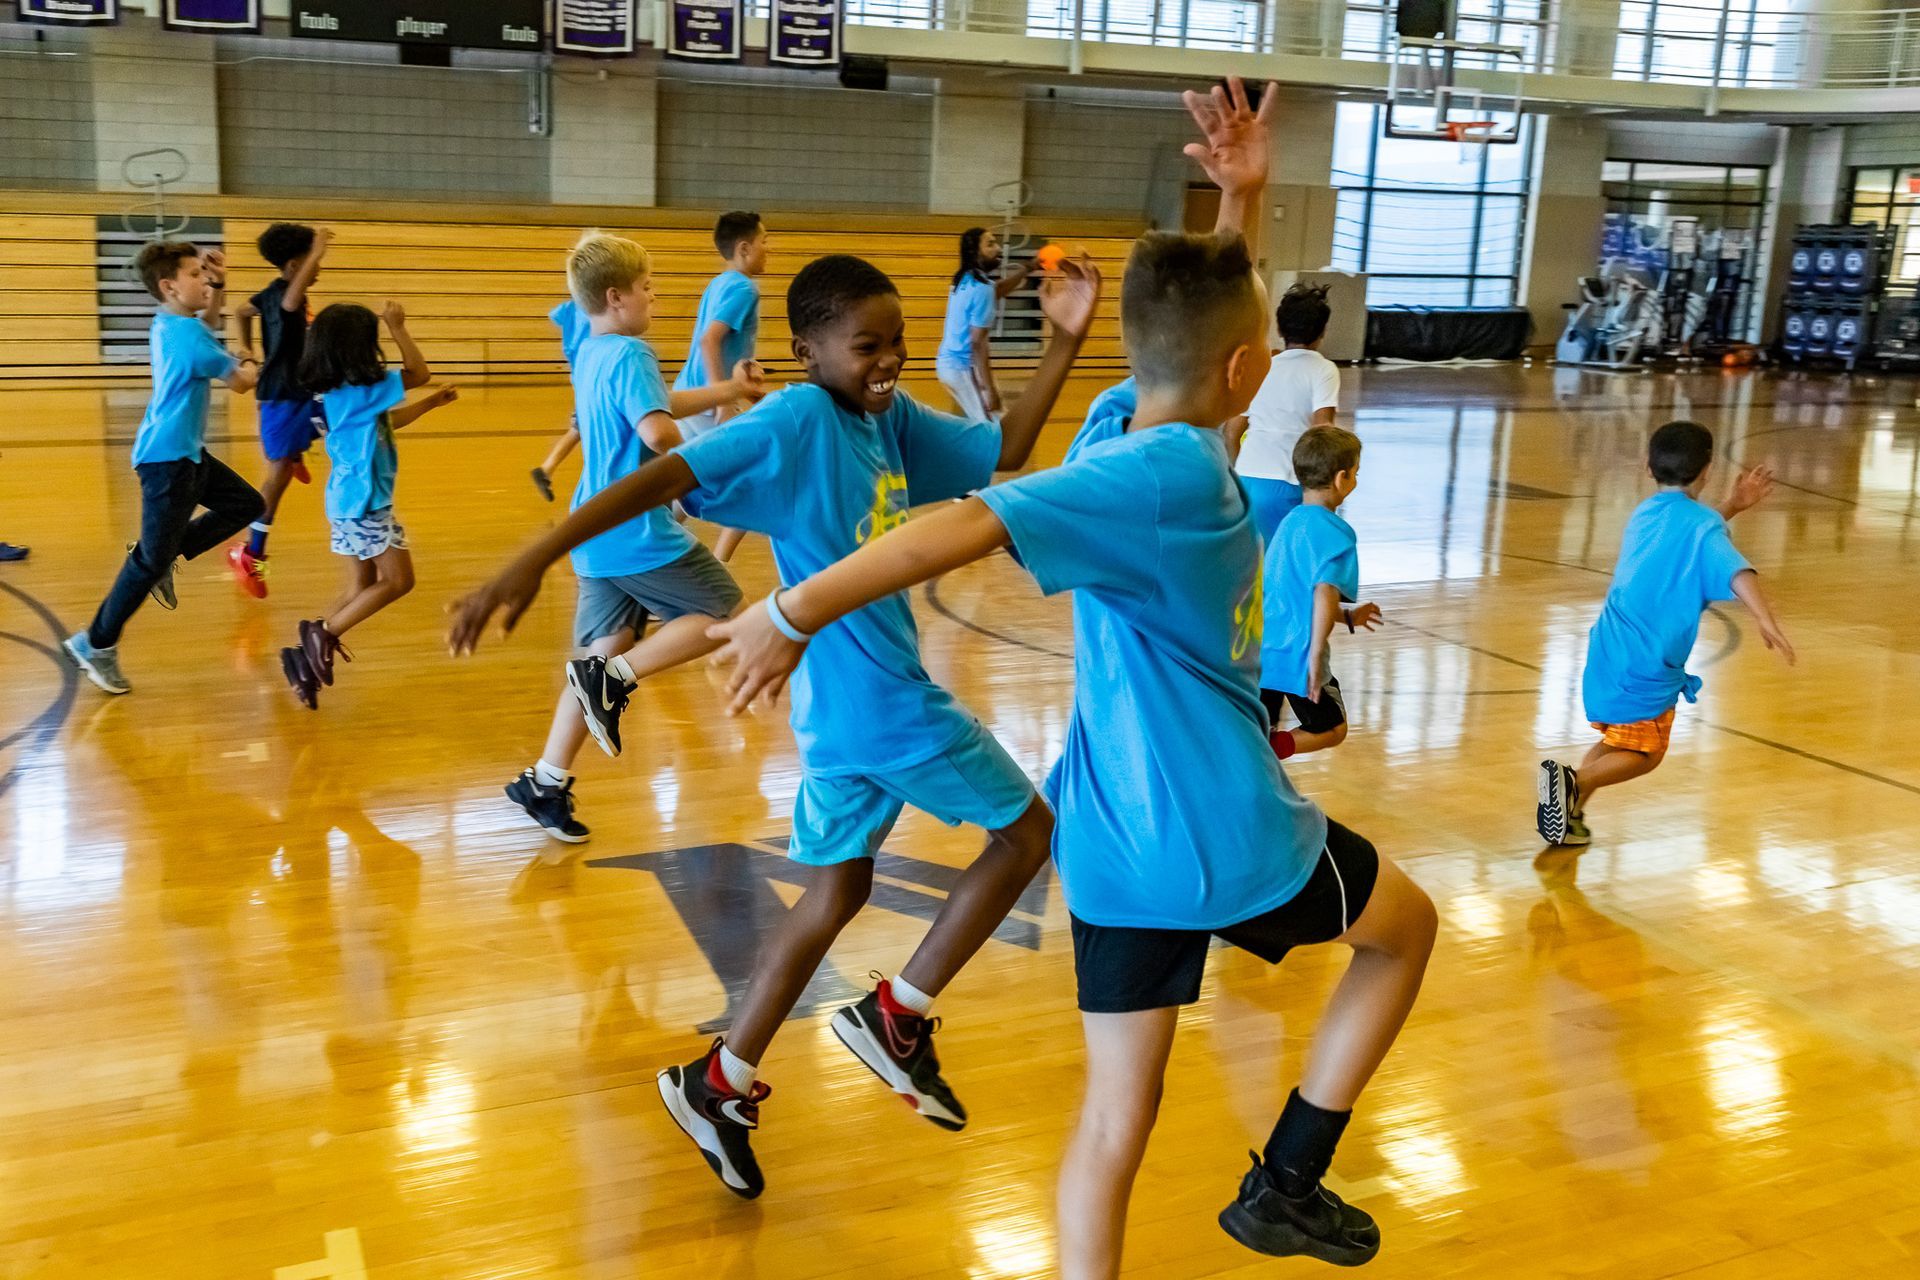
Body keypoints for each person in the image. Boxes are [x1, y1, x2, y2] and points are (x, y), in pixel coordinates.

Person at [702, 226, 1435, 1276]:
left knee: (1114, 1119)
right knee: (1406, 930)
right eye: (1263, 338)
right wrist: (792, 606)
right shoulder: (1165, 469)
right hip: (1224, 830)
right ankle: (1287, 1179)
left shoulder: (1121, 426)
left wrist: (1240, 196)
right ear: (1242, 367)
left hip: (1114, 845)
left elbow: (1188, 336)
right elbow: (965, 520)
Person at [447, 249, 1101, 1200]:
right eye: (866, 345)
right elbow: (656, 472)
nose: (887, 362)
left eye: (899, 345)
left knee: (834, 895)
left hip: (837, 706)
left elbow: (1008, 448)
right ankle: (899, 1017)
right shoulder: (798, 418)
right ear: (808, 350)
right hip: (879, 703)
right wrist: (532, 558)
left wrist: (1068, 339)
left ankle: (718, 1083)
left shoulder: (892, 420)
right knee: (1031, 832)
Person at [500, 231, 758, 843]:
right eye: (648, 289)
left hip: (594, 528)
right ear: (617, 296)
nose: (656, 300)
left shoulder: (592, 349)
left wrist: (731, 390)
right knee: (724, 613)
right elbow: (658, 432)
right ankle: (614, 683)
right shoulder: (633, 353)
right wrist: (723, 453)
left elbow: (659, 402)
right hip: (636, 531)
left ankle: (546, 780)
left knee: (599, 650)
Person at [1537, 421, 1792, 845]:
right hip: (1649, 656)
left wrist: (1732, 505)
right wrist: (1765, 616)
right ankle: (1571, 785)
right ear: (1707, 470)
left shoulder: (1647, 512)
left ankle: (1569, 816)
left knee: (1619, 740)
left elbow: (1693, 536)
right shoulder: (1703, 527)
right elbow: (1733, 568)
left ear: (1647, 466)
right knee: (1645, 754)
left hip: (1611, 644)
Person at [65, 241, 261, 696]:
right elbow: (242, 382)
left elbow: (208, 328)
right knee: (149, 561)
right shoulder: (189, 337)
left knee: (246, 503)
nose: (205, 279)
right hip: (169, 462)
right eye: (196, 274)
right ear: (170, 285)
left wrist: (218, 285)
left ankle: (164, 554)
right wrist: (251, 351)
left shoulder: (170, 323)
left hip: (184, 453)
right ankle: (94, 644)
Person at [279, 303, 457, 709]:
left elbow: (385, 424)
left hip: (345, 503)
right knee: (399, 581)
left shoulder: (339, 395)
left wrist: (430, 404)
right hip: (365, 504)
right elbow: (419, 372)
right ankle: (321, 635)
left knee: (360, 587)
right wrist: (398, 327)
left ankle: (302, 659)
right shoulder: (361, 392)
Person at [1259, 426, 1381, 760]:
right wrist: (1313, 658)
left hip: (1261, 650)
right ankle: (1273, 751)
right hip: (1297, 655)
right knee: (1332, 727)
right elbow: (1324, 594)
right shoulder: (1337, 534)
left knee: (1258, 731)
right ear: (1342, 478)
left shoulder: (1288, 524)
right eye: (1356, 473)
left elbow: (1293, 594)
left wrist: (1348, 615)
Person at [232, 222, 333, 595]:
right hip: (283, 398)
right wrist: (318, 250)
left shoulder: (272, 292)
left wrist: (246, 350)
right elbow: (290, 303)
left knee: (334, 410)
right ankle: (249, 553)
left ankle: (296, 452)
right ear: (294, 266)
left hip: (298, 392)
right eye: (312, 262)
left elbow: (241, 312)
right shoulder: (288, 297)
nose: (319, 268)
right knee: (276, 480)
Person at [674, 210, 770, 562]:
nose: (768, 250)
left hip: (689, 396)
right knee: (757, 483)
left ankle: (663, 559)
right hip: (708, 404)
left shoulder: (720, 282)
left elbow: (723, 344)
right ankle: (717, 567)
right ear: (744, 248)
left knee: (685, 484)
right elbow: (710, 342)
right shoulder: (745, 288)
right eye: (764, 242)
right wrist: (725, 400)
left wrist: (745, 372)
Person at [1230, 282, 1340, 542]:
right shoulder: (1323, 370)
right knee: (1293, 560)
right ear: (1322, 331)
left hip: (1247, 479)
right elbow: (1322, 430)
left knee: (1264, 562)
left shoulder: (1262, 367)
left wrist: (1239, 475)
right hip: (1290, 481)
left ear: (1279, 329)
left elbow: (1233, 431)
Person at [936, 226, 1034, 422]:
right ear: (975, 252)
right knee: (996, 426)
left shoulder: (964, 278)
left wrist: (1028, 269)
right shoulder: (982, 288)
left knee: (979, 425)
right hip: (963, 367)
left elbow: (997, 290)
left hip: (949, 365)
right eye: (990, 244)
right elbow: (978, 344)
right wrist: (990, 390)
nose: (998, 249)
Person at [530, 296, 591, 502]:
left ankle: (546, 469)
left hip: (578, 372)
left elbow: (554, 314)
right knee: (587, 428)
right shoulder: (595, 309)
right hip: (591, 372)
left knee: (578, 429)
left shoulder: (570, 307)